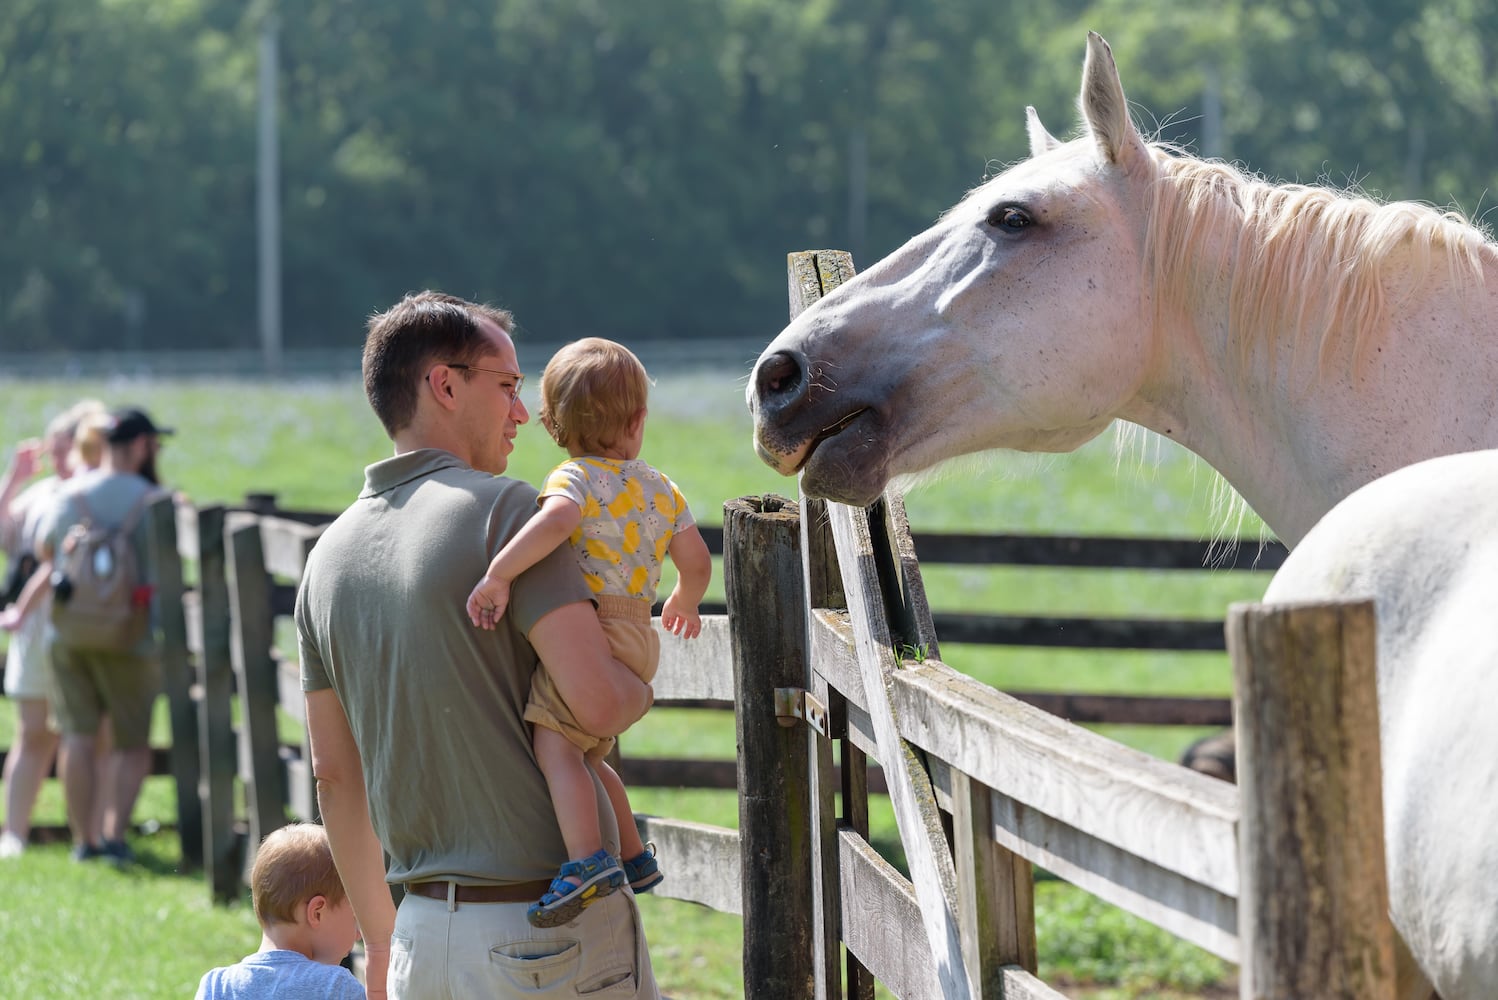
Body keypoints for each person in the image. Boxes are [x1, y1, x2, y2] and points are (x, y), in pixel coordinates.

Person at [296, 291, 659, 999]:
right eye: (507, 387)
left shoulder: (327, 558)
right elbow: (597, 701)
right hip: (551, 934)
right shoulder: (510, 515)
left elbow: (334, 778)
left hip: (417, 942)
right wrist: (644, 680)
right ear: (445, 383)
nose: (523, 413)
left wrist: (378, 942)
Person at [465, 337, 712, 926]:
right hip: (639, 635)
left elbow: (557, 523)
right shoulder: (659, 485)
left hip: (593, 627)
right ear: (638, 419)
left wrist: (499, 574)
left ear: (552, 423)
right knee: (589, 756)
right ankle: (633, 855)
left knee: (554, 746)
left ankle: (586, 861)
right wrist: (685, 599)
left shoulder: (572, 478)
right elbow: (697, 559)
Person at [34, 405, 172, 865]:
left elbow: (46, 550)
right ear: (138, 446)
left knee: (76, 734)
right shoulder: (155, 500)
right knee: (132, 741)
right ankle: (114, 836)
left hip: (70, 632)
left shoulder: (71, 494)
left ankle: (84, 840)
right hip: (130, 636)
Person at [0, 399, 108, 858]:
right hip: (35, 633)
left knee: (85, 735)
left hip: (79, 629)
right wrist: (14, 480)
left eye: (69, 448)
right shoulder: (42, 494)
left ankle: (87, 833)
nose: (61, 458)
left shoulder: (95, 494)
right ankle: (15, 833)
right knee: (32, 733)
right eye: (55, 449)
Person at [194, 822, 365, 999]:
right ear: (317, 913)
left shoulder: (217, 986)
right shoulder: (338, 987)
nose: (359, 934)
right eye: (355, 916)